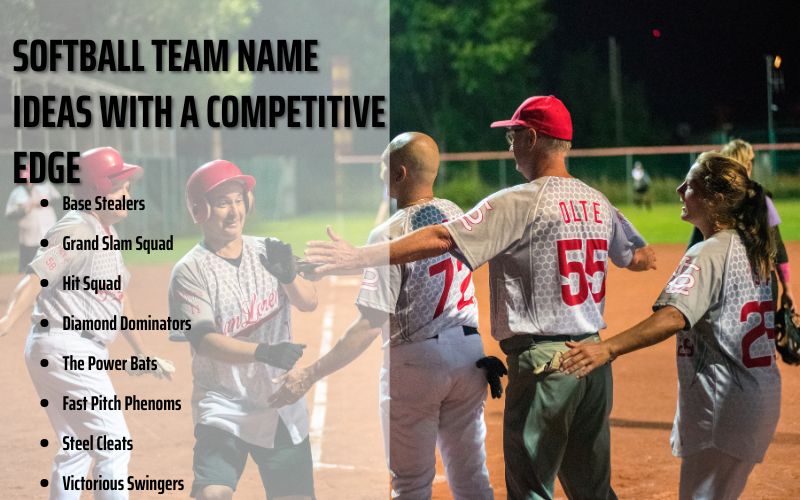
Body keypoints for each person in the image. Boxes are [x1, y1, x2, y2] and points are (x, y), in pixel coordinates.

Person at [304, 95, 657, 499]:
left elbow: (441, 237)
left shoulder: (517, 202)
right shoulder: (598, 201)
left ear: (532, 138)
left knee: (530, 489)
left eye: (512, 135)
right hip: (594, 358)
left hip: (545, 362)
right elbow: (639, 256)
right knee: (591, 489)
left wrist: (358, 256)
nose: (509, 144)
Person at [269, 132, 499, 499]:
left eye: (385, 167)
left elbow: (368, 325)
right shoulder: (457, 215)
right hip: (470, 357)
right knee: (472, 477)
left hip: (416, 364)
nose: (381, 174)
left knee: (411, 485)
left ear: (400, 173)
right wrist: (328, 268)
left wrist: (310, 374)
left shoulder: (387, 233)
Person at [561, 152, 781, 500]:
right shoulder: (750, 247)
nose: (680, 190)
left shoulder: (708, 252)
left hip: (723, 405)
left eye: (690, 185)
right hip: (756, 397)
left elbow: (673, 316)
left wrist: (608, 348)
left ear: (716, 199)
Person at [0, 147, 175, 499]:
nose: (128, 195)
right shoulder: (78, 229)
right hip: (66, 346)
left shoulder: (103, 234)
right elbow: (36, 277)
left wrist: (141, 353)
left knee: (78, 448)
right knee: (113, 445)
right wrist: (5, 321)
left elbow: (118, 298)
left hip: (63, 347)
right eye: (120, 187)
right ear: (98, 189)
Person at [167, 159, 318, 500]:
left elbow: (309, 302)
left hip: (279, 401)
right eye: (223, 203)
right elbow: (205, 341)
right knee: (211, 495)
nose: (234, 211)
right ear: (200, 209)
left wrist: (289, 276)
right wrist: (264, 352)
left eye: (239, 200)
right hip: (224, 403)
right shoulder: (190, 271)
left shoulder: (268, 248)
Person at [688, 139, 796, 322]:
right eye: (750, 161)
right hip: (762, 280)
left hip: (725, 279)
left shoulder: (714, 200)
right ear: (745, 164)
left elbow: (694, 247)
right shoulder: (761, 199)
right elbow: (777, 246)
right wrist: (787, 288)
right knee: (761, 338)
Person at [5, 166, 61, 272]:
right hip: (28, 238)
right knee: (26, 267)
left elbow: (58, 200)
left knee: (50, 267)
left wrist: (44, 202)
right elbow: (9, 214)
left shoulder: (45, 187)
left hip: (47, 232)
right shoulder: (17, 193)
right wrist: (25, 210)